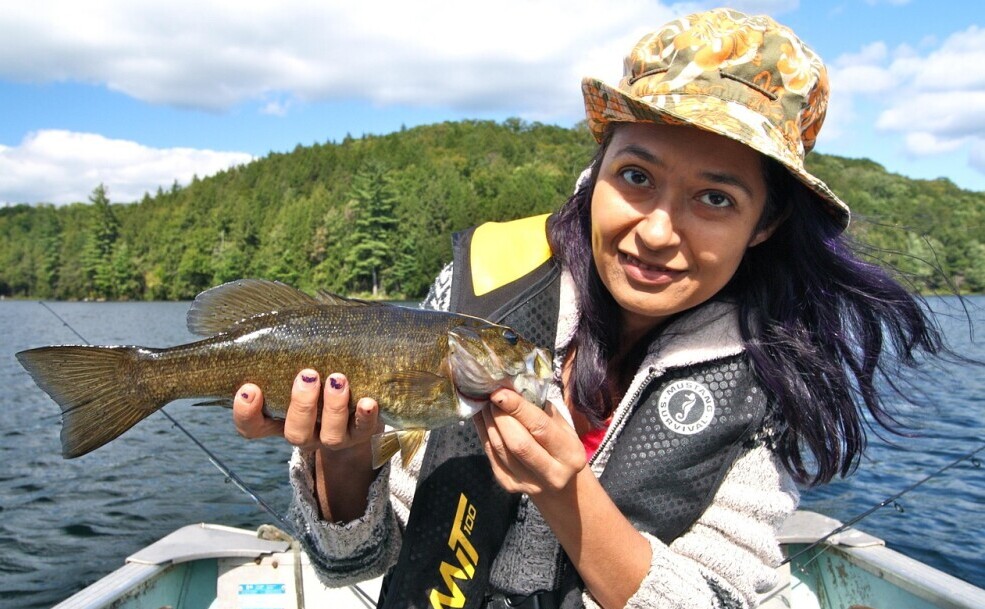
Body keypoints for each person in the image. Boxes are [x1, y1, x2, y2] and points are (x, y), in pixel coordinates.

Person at [232, 8, 946, 608]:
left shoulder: (774, 381)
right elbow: (349, 562)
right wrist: (342, 461)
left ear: (764, 224)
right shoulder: (484, 291)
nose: (658, 230)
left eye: (715, 198)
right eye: (636, 176)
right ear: (595, 172)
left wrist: (566, 491)